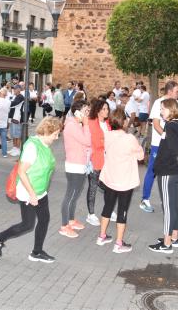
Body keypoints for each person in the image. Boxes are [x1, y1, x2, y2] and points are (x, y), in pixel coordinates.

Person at [0, 117, 61, 263]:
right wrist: (32, 194)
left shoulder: (44, 144)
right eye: (55, 134)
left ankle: (37, 252)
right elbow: (22, 172)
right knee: (27, 224)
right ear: (47, 131)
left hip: (40, 190)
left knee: (44, 219)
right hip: (29, 192)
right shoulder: (32, 146)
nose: (57, 137)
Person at [96, 108, 143, 253]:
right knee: (122, 211)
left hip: (109, 177)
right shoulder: (130, 138)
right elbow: (140, 156)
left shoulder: (108, 135)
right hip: (124, 181)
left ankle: (102, 236)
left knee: (107, 207)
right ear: (123, 122)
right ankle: (118, 243)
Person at [148, 99, 178, 253]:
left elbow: (171, 151)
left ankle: (166, 243)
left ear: (171, 110)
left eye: (163, 109)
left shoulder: (171, 126)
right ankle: (174, 237)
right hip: (177, 171)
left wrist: (158, 165)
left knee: (168, 207)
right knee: (174, 204)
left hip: (168, 171)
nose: (160, 112)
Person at [140, 81, 178, 213]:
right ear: (169, 91)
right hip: (159, 144)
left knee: (169, 172)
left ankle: (167, 200)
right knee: (153, 170)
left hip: (172, 146)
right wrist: (167, 137)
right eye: (176, 91)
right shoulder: (158, 103)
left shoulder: (177, 104)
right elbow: (156, 124)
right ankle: (145, 199)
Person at [60, 100, 91, 238]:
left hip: (80, 163)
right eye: (86, 111)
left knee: (75, 194)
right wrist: (86, 125)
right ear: (77, 112)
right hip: (74, 165)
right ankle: (64, 226)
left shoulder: (77, 124)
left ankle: (71, 221)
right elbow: (87, 141)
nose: (88, 113)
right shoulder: (72, 126)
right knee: (70, 195)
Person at [86, 99, 111, 226]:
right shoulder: (91, 122)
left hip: (107, 160)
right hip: (95, 159)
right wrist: (106, 143)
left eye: (107, 109)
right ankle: (91, 214)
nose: (106, 111)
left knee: (109, 187)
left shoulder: (107, 123)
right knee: (93, 187)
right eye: (104, 109)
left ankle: (108, 210)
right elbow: (95, 142)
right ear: (98, 110)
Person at [8, 85, 25, 157]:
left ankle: (18, 149)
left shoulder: (20, 97)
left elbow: (13, 104)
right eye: (13, 89)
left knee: (17, 135)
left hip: (17, 117)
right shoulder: (16, 96)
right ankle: (14, 148)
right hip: (13, 117)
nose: (13, 91)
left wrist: (6, 102)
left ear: (18, 89)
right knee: (13, 134)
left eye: (15, 89)